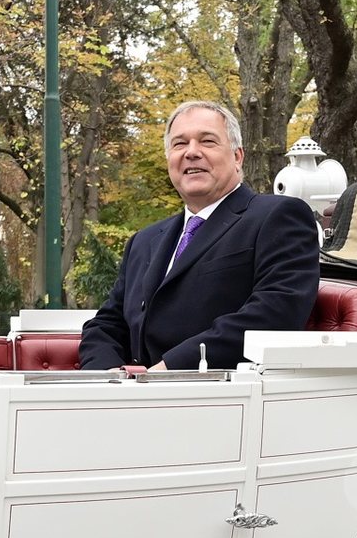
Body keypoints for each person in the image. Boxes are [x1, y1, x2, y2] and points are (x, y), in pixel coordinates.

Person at [80, 102, 320, 370]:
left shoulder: (278, 216)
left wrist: (170, 368)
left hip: (220, 396)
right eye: (179, 144)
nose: (192, 152)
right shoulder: (144, 241)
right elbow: (106, 324)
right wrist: (106, 378)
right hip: (131, 399)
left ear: (237, 156)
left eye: (207, 141)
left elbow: (275, 313)